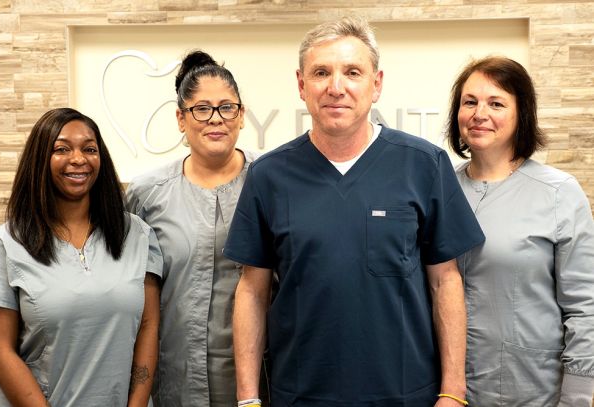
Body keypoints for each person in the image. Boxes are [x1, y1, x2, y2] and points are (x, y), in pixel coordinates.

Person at [224, 17, 485, 406]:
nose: (336, 87)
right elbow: (252, 290)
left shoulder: (423, 165)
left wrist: (453, 392)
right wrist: (247, 398)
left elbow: (445, 281)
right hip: (301, 395)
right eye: (321, 73)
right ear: (301, 84)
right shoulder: (269, 176)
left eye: (352, 72)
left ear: (376, 84)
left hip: (405, 394)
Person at [0, 107, 162, 406]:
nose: (78, 159)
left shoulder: (137, 234)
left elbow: (148, 326)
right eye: (62, 149)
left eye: (89, 149)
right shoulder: (3, 244)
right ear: (39, 160)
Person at [446, 56, 594, 406]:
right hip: (448, 391)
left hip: (530, 390)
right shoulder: (439, 188)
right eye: (470, 102)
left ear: (521, 114)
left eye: (496, 103)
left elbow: (585, 306)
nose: (479, 113)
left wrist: (578, 395)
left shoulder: (558, 192)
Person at [126, 50, 267, 406]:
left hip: (259, 381)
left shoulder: (272, 181)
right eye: (201, 109)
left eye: (226, 107)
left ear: (241, 115)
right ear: (181, 118)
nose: (215, 119)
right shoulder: (147, 193)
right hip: (174, 381)